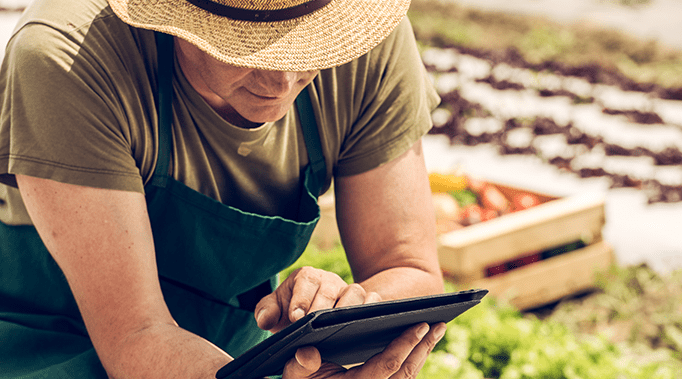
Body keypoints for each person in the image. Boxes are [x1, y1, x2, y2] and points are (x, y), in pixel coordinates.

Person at [0, 0, 445, 376]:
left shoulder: (360, 40)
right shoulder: (67, 58)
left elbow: (409, 266)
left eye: (309, 44)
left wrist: (357, 309)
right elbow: (135, 335)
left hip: (226, 359)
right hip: (44, 345)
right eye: (248, 47)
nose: (281, 81)